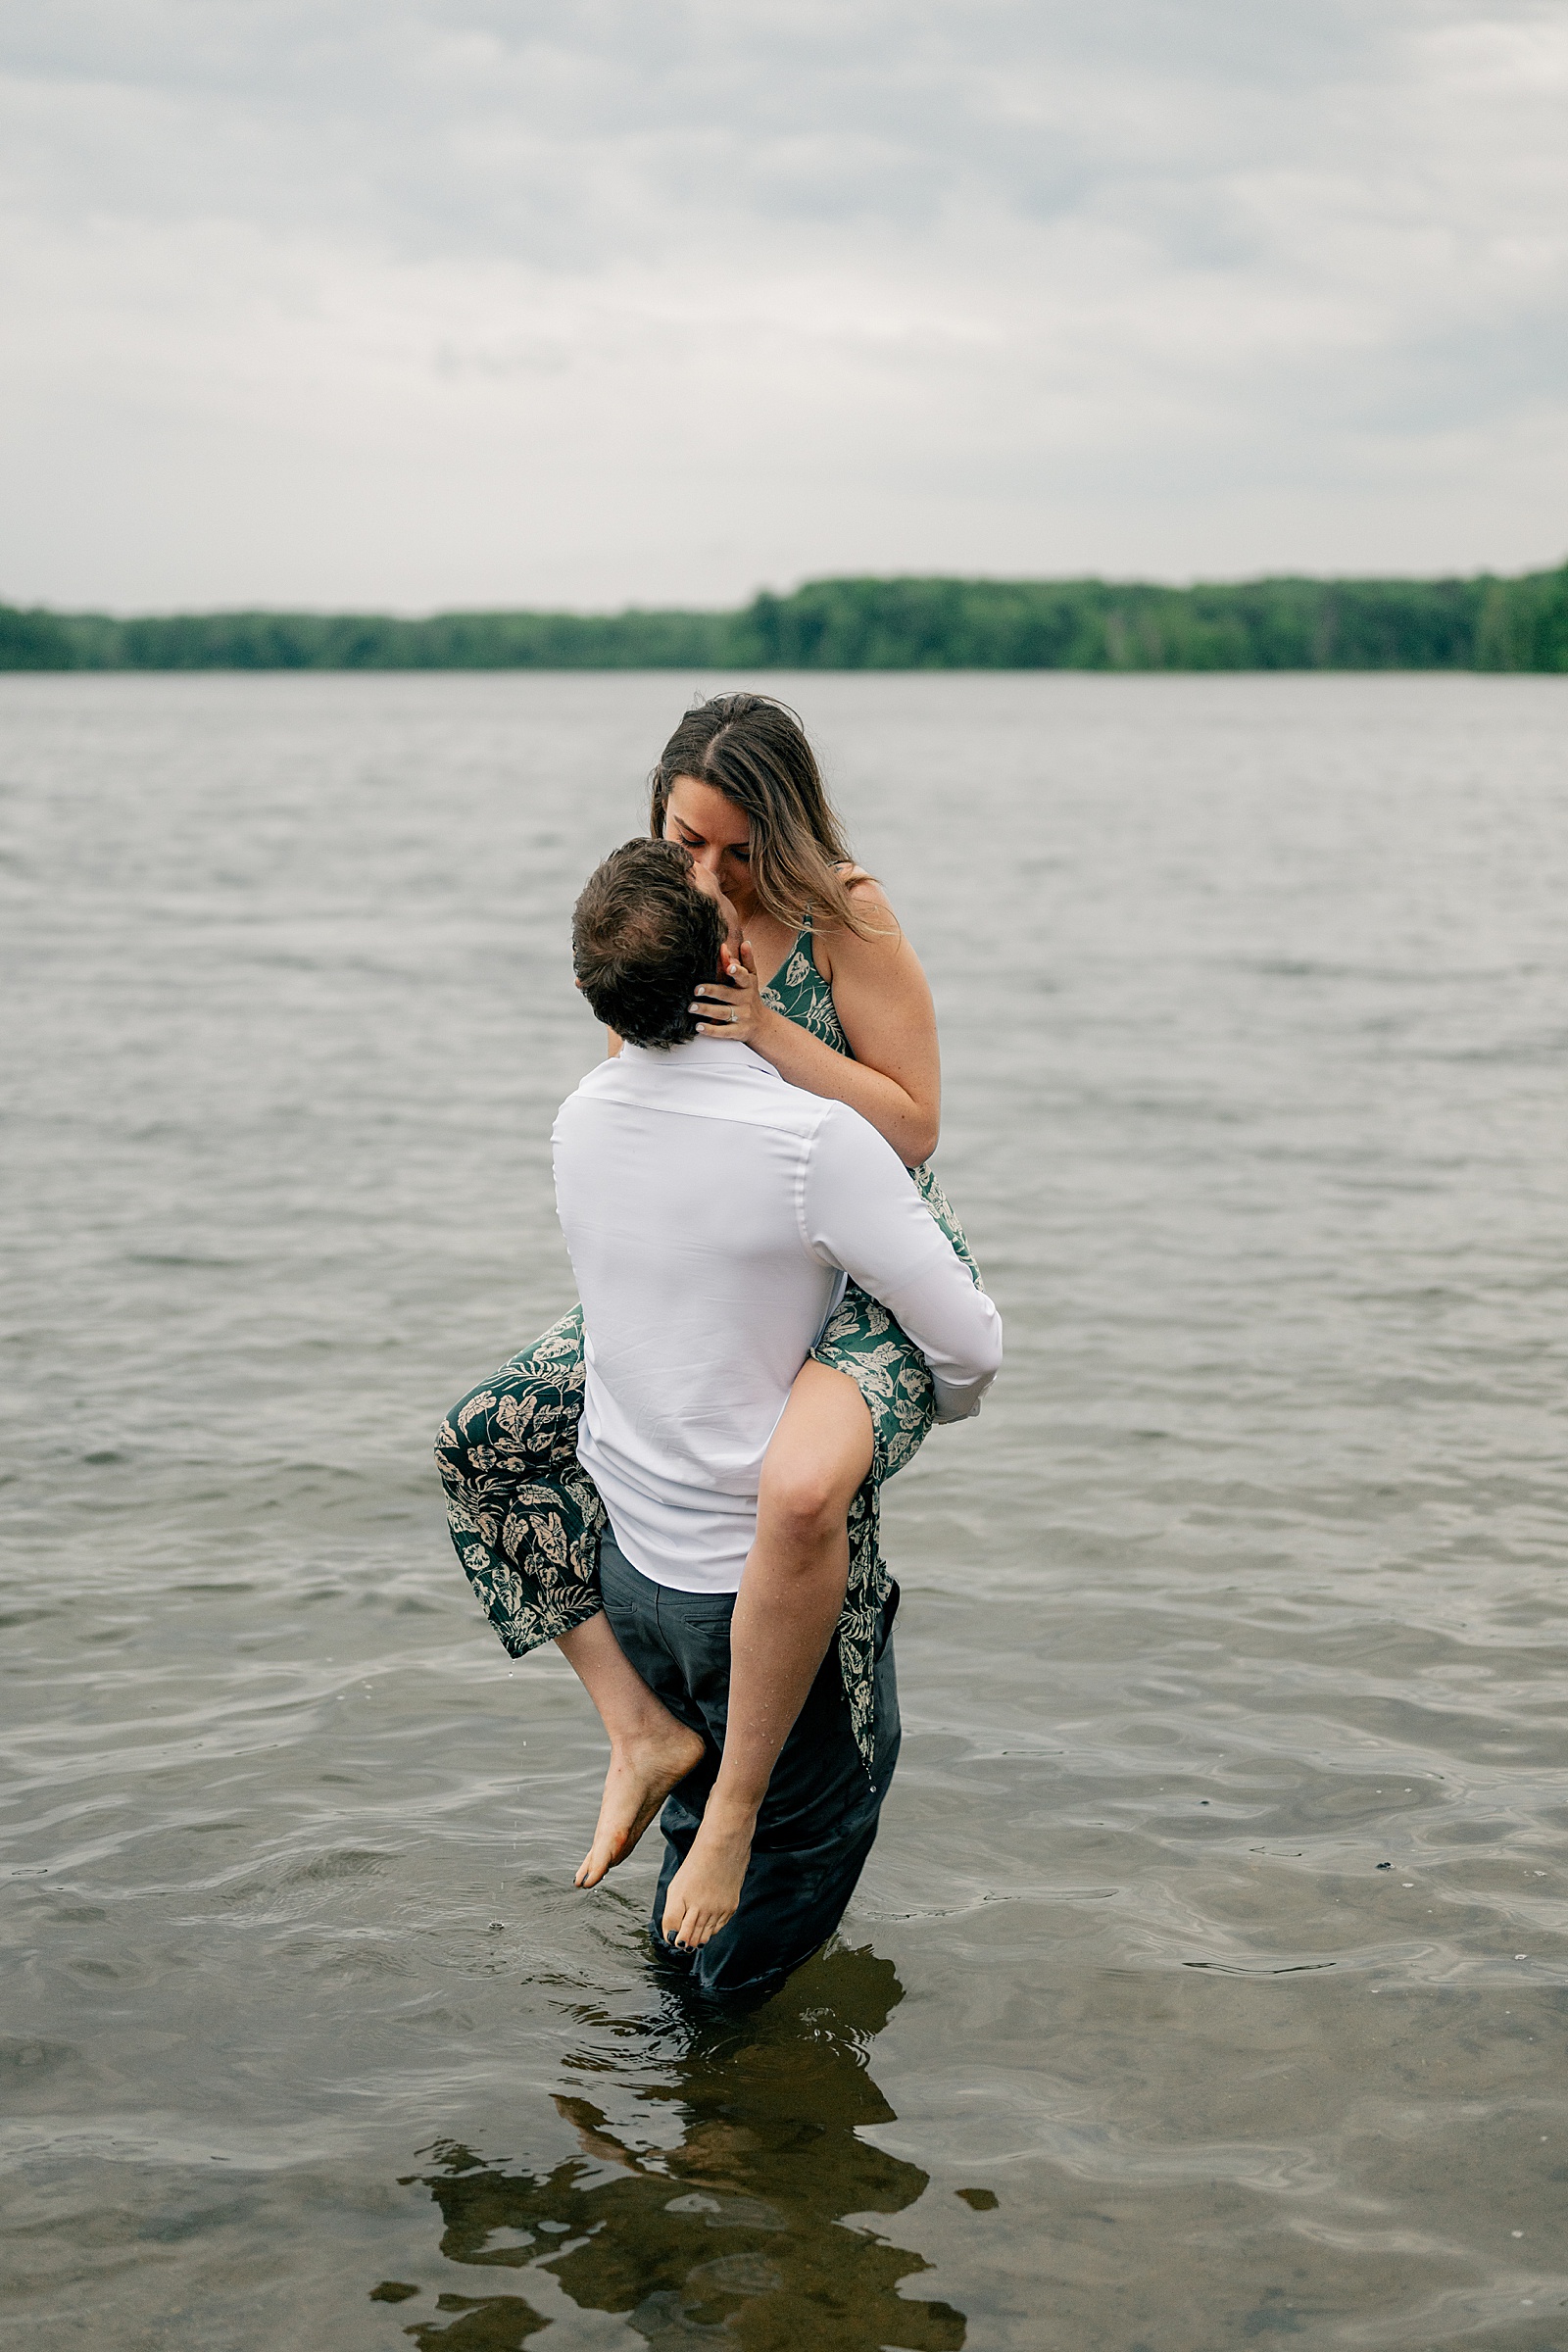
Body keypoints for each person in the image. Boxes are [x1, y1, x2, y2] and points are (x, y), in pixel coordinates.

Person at [435, 694, 991, 1943]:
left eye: (737, 851)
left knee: (793, 1492)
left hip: (867, 1262)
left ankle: (741, 1813)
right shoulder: (668, 911)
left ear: (785, 833)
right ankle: (637, 1729)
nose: (708, 872)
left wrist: (776, 1033)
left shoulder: (850, 914)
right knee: (483, 1441)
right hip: (739, 1240)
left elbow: (912, 1127)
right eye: (687, 839)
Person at [542, 836, 999, 1997]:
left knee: (686, 1924)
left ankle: (649, 2125)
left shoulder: (580, 1118)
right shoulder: (813, 1143)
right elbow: (969, 1337)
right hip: (759, 1603)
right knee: (761, 1925)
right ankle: (719, 2150)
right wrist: (881, 1406)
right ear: (734, 958)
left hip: (632, 1574)